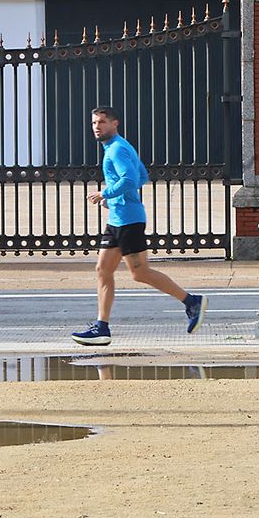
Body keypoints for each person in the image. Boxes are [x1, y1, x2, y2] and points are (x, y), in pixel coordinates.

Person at [71, 106, 205, 346]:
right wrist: (115, 200)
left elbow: (131, 179)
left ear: (115, 123)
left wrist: (106, 194)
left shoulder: (118, 149)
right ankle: (102, 327)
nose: (97, 127)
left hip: (129, 221)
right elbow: (142, 175)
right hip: (117, 219)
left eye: (102, 122)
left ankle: (191, 301)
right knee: (103, 269)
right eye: (94, 123)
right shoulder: (116, 147)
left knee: (140, 273)